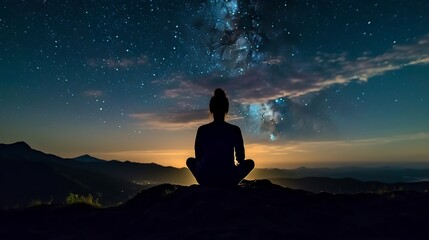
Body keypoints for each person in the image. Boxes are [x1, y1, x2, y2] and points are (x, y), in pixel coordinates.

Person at [187, 88, 254, 187]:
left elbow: (198, 157)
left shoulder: (202, 130)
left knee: (190, 161)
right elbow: (241, 158)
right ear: (226, 109)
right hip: (228, 179)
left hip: (206, 179)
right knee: (250, 163)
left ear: (211, 109)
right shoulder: (234, 130)